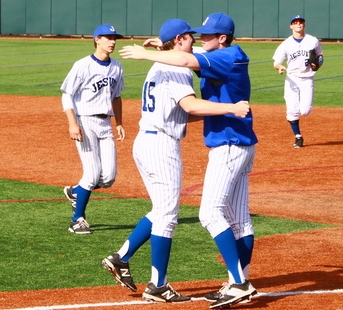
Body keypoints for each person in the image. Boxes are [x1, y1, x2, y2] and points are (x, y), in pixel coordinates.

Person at [101, 19, 250, 303]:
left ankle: (122, 257)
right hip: (161, 146)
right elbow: (191, 106)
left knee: (161, 210)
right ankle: (158, 285)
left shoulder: (158, 66)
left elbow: (182, 112)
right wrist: (231, 107)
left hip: (146, 140)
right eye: (190, 37)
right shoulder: (176, 68)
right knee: (167, 216)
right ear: (180, 39)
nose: (194, 41)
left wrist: (219, 112)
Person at [60, 24, 125, 235]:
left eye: (114, 38)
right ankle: (76, 220)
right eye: (108, 38)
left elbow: (116, 96)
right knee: (92, 174)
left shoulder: (117, 67)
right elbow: (67, 94)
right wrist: (72, 122)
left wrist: (120, 123)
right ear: (97, 39)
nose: (112, 41)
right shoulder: (82, 65)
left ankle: (75, 191)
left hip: (105, 124)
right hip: (85, 121)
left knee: (108, 178)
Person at [272, 15, 323, 148]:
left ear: (304, 25)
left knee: (305, 111)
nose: (298, 24)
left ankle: (299, 126)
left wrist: (318, 65)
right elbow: (276, 62)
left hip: (307, 78)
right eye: (295, 22)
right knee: (292, 110)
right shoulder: (286, 43)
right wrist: (280, 67)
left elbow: (320, 56)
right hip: (292, 79)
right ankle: (298, 137)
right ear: (291, 26)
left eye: (301, 22)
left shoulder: (313, 41)